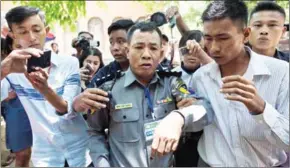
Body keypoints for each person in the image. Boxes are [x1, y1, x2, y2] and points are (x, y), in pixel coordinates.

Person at [151, 0, 289, 167]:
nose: (214, 48)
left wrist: (261, 108)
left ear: (245, 34)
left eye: (223, 38)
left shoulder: (281, 73)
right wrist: (182, 114)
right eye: (208, 38)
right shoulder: (201, 77)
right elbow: (198, 120)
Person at [72, 21, 211, 167]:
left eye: (153, 48)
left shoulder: (173, 84)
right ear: (128, 52)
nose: (146, 55)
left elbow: (204, 109)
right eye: (138, 47)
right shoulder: (108, 89)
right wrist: (102, 163)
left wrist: (180, 117)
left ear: (161, 53)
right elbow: (94, 131)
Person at [1, 6, 93, 167]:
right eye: (22, 32)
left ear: (46, 30)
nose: (31, 38)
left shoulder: (69, 63)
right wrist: (3, 70)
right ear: (12, 35)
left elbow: (67, 109)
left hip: (80, 151)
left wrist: (44, 88)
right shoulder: (12, 71)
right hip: (45, 156)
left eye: (36, 29)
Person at [172, 30, 212, 167]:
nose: (191, 55)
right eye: (186, 50)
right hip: (179, 138)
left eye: (196, 50)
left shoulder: (211, 74)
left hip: (206, 137)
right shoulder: (171, 77)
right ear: (180, 51)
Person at [1, 35, 33, 167]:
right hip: (15, 109)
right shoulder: (6, 67)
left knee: (27, 153)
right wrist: (6, 96)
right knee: (22, 154)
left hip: (30, 109)